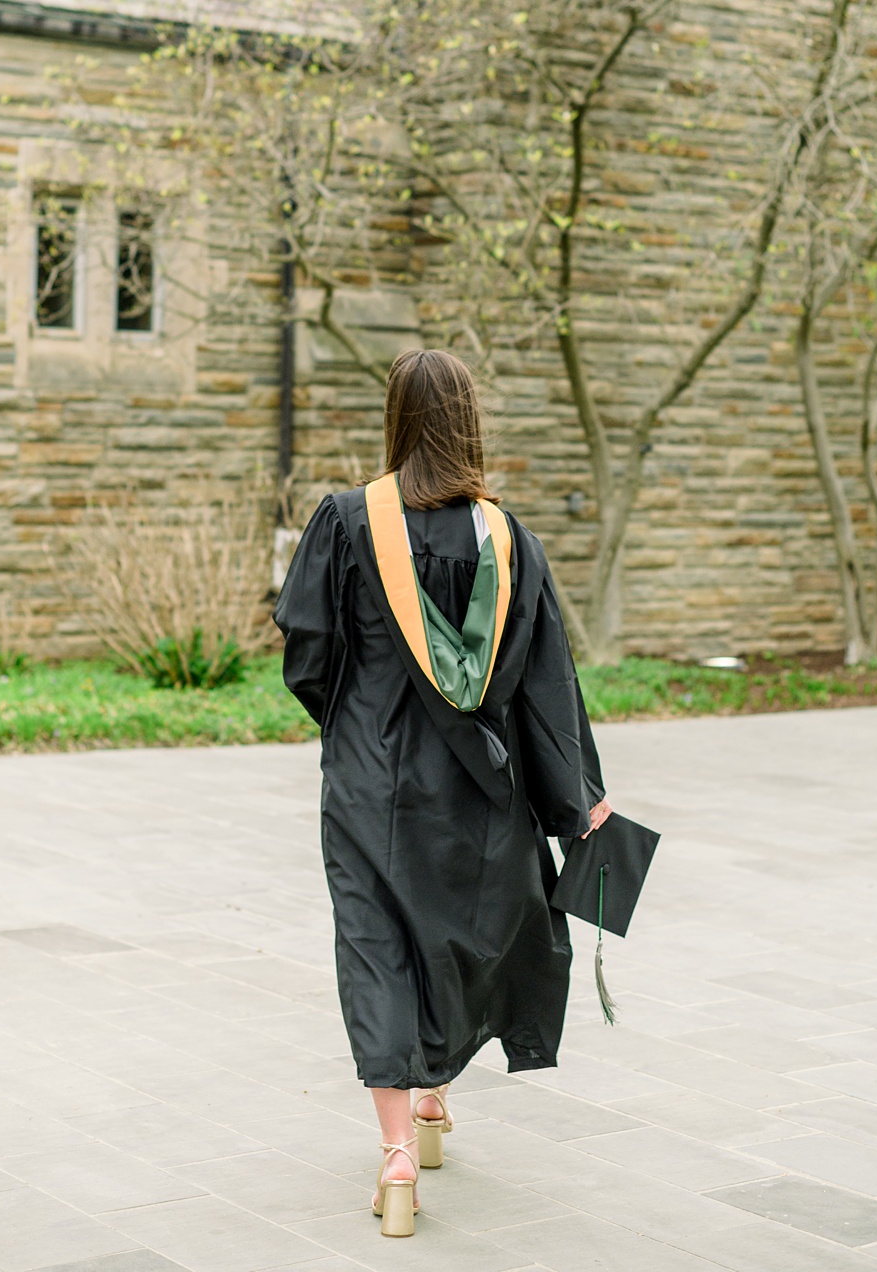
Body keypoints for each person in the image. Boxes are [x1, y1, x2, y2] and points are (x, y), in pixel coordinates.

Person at [273, 347, 612, 1239]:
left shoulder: (346, 522)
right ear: (468, 424)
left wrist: (355, 728)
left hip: (368, 787)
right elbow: (548, 691)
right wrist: (580, 801)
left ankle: (394, 1155)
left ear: (397, 419)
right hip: (477, 790)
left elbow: (307, 659)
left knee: (378, 946)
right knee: (459, 935)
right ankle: (433, 1099)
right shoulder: (510, 541)